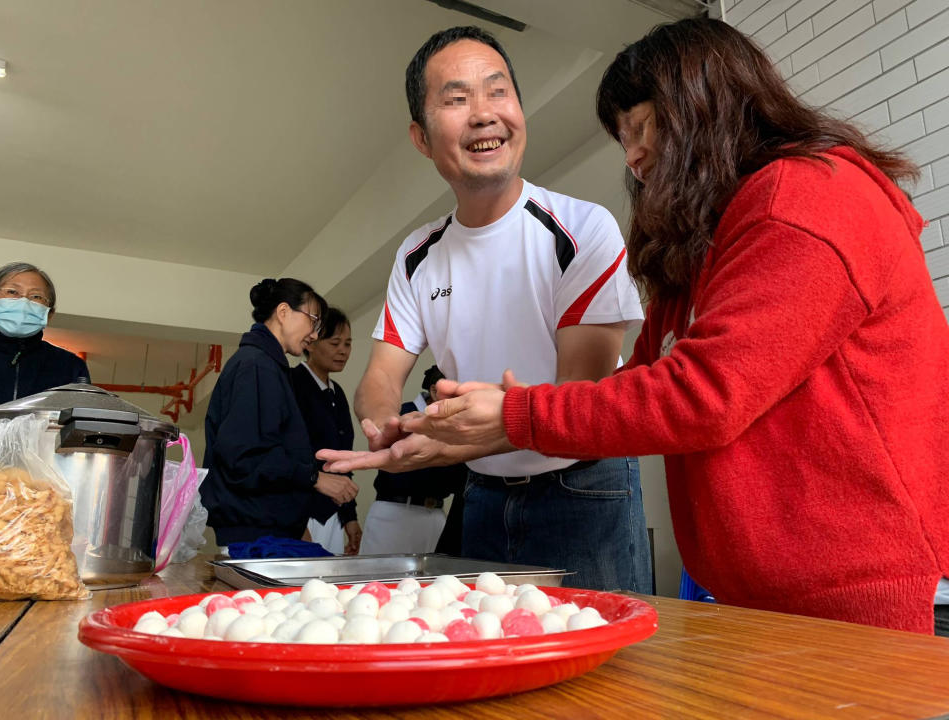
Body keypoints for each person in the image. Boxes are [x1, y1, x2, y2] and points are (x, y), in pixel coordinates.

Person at [400, 18, 949, 635]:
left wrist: (514, 415)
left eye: (641, 129)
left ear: (702, 106)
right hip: (756, 598)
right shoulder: (700, 250)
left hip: (857, 596)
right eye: (622, 139)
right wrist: (486, 429)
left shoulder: (807, 199)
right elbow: (641, 386)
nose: (632, 158)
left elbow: (702, 394)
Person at [319, 26, 652, 592]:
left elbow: (581, 395)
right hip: (482, 492)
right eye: (456, 99)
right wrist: (388, 431)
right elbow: (379, 377)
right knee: (489, 659)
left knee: (604, 671)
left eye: (498, 92)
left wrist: (453, 439)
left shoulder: (582, 229)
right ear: (421, 138)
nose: (483, 114)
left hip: (583, 486)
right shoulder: (416, 254)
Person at [201, 278, 358, 547]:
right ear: (283, 313)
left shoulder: (268, 366)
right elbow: (245, 455)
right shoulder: (256, 365)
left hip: (266, 527)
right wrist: (315, 477)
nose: (314, 334)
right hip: (254, 532)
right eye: (313, 321)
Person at [357, 365, 467, 556]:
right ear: (434, 390)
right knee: (381, 580)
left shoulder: (455, 425)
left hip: (435, 514)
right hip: (395, 512)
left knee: (433, 581)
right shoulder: (402, 415)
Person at [290, 307, 362, 555]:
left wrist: (350, 517)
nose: (343, 350)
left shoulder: (337, 393)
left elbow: (344, 459)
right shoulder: (292, 383)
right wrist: (296, 523)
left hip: (332, 514)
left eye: (348, 344)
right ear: (311, 343)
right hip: (301, 515)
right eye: (334, 343)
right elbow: (288, 455)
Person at [0, 262, 90, 407]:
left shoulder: (70, 366)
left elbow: (80, 423)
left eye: (36, 296)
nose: (24, 302)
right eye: (12, 292)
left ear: (49, 314)